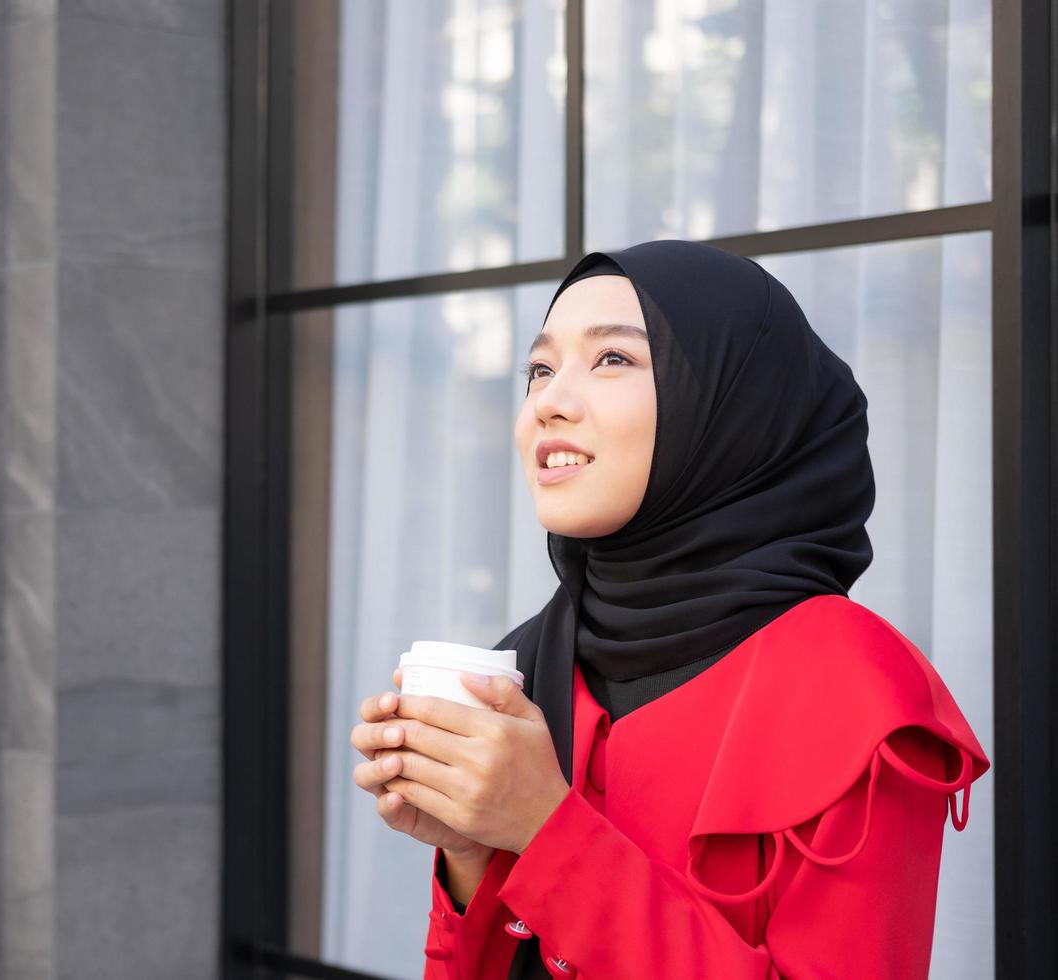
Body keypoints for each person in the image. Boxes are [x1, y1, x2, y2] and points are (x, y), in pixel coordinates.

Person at [350, 240, 990, 979]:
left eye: (614, 359)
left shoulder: (850, 688)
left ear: (731, 405)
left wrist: (545, 830)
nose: (549, 401)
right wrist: (469, 848)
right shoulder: (530, 661)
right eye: (540, 369)